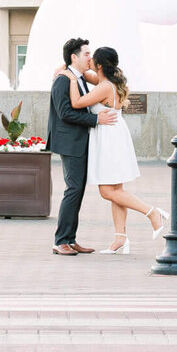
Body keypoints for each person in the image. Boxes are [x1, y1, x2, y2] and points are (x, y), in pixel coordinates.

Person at [65, 46, 167, 254]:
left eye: (93, 58)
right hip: (113, 135)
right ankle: (120, 238)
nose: (89, 60)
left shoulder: (104, 87)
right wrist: (69, 66)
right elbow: (84, 72)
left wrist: (72, 80)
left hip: (109, 139)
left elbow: (76, 103)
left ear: (100, 65)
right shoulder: (105, 82)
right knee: (116, 191)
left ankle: (152, 212)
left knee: (107, 191)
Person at [48, 37, 119, 256]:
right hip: (70, 142)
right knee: (73, 189)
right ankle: (61, 241)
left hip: (78, 141)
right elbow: (65, 113)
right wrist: (96, 120)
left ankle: (70, 238)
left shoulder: (76, 77)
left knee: (77, 190)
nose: (90, 57)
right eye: (86, 54)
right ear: (74, 57)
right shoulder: (63, 79)